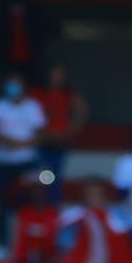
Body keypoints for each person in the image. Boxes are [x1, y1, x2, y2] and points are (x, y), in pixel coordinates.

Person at [0, 72, 44, 254]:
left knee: (28, 203)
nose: (13, 88)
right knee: (2, 203)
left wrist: (20, 144)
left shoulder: (32, 106)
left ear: (23, 86)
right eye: (9, 85)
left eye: (16, 85)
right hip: (4, 163)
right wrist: (4, 140)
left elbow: (40, 133)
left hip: (27, 162)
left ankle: (28, 245)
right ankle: (0, 245)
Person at [33, 64, 88, 205]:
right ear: (48, 75)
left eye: (60, 74)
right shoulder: (38, 93)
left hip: (59, 143)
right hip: (41, 142)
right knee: (39, 178)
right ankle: (38, 210)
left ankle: (52, 209)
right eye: (54, 74)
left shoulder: (70, 95)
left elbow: (82, 111)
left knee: (54, 177)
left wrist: (70, 131)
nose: (56, 78)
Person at [0, 0, 56, 77]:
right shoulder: (3, 19)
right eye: (14, 6)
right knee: (11, 81)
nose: (17, 9)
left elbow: (48, 31)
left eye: (20, 6)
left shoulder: (34, 18)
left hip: (31, 60)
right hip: (9, 60)